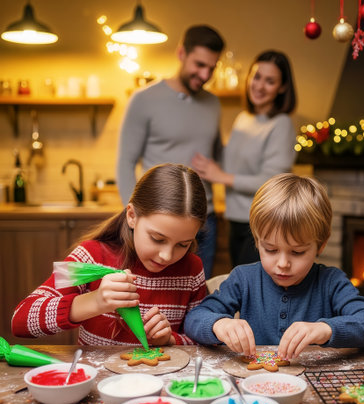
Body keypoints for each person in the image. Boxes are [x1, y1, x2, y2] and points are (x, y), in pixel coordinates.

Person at [184, 173, 364, 360]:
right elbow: (195, 318)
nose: (283, 264)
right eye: (271, 250)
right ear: (257, 241)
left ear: (321, 244)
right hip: (254, 384)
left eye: (297, 252)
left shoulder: (331, 282)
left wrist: (325, 329)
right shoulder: (244, 278)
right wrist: (219, 324)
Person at [12, 163, 208, 346]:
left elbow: (201, 341)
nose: (166, 255)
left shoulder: (192, 269)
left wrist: (171, 340)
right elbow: (20, 321)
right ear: (132, 216)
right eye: (157, 238)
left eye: (183, 244)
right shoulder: (90, 255)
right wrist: (94, 302)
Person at [116, 25, 225, 280]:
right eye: (199, 64)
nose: (205, 73)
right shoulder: (144, 99)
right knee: (152, 295)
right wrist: (133, 220)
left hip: (204, 222)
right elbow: (125, 162)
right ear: (181, 53)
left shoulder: (213, 103)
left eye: (212, 67)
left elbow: (218, 155)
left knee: (198, 297)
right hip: (158, 222)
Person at [192, 50, 297, 267]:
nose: (259, 86)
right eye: (257, 77)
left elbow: (271, 182)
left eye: (270, 81)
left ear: (283, 88)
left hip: (262, 224)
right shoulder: (243, 118)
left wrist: (220, 176)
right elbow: (233, 163)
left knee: (251, 293)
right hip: (236, 220)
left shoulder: (281, 124)